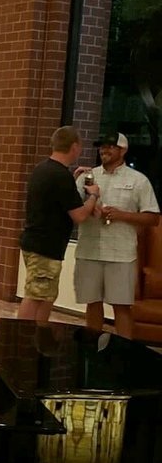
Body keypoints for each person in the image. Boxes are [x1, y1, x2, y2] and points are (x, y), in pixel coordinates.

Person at [74, 132, 159, 338]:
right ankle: (93, 348)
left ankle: (124, 351)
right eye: (102, 146)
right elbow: (72, 209)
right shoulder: (87, 177)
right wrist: (91, 209)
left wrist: (122, 215)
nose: (104, 150)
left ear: (123, 150)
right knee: (92, 302)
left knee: (121, 306)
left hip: (121, 255)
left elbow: (153, 218)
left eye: (110, 146)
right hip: (89, 251)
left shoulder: (138, 180)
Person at [16, 126, 101, 322]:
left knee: (46, 296)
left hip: (36, 241)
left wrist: (74, 179)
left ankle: (39, 334)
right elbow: (79, 215)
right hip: (45, 247)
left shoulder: (43, 169)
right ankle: (21, 333)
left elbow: (56, 200)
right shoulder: (60, 176)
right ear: (74, 147)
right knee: (36, 295)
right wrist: (94, 195)